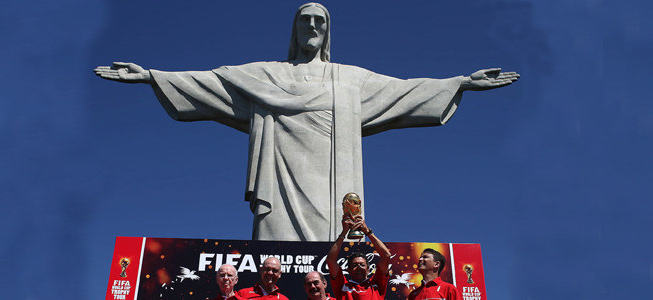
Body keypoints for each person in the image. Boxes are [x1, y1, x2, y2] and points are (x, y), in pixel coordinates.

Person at [94, 2, 519, 242]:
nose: (312, 27)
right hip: (278, 182)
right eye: (305, 21)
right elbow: (213, 83)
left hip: (333, 180)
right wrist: (153, 75)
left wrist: (460, 82)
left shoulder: (349, 79)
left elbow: (403, 90)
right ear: (295, 30)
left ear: (327, 31)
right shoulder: (267, 75)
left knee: (336, 241)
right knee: (276, 249)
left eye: (320, 22)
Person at [326, 216, 391, 300]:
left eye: (362, 264)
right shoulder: (343, 286)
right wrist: (344, 232)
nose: (359, 267)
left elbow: (386, 255)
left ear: (368, 269)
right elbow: (330, 261)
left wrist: (368, 232)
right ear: (348, 270)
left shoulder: (376, 284)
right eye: (355, 265)